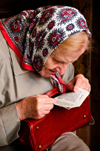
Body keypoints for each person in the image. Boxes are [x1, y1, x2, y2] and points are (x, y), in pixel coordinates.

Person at [0, 5, 91, 151]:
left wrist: (71, 90)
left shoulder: (55, 58)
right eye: (59, 61)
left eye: (70, 63)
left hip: (51, 136)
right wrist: (21, 111)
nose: (62, 71)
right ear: (42, 44)